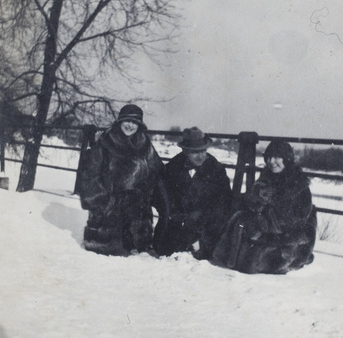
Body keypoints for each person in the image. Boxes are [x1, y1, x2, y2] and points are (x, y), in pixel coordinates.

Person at [212, 139, 317, 274]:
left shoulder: (299, 186)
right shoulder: (266, 177)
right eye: (268, 157)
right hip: (265, 232)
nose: (272, 161)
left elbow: (297, 227)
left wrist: (264, 235)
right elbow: (253, 203)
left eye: (277, 157)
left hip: (286, 241)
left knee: (253, 262)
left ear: (287, 158)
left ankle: (294, 259)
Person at [79, 104, 168, 256]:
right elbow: (89, 175)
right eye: (127, 121)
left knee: (139, 245)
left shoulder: (144, 143)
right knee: (112, 250)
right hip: (110, 203)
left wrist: (149, 192)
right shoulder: (106, 142)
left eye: (135, 122)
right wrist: (103, 201)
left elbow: (157, 170)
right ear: (120, 121)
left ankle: (139, 240)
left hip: (137, 203)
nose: (130, 125)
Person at [153, 126, 233, 259]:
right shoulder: (172, 168)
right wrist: (174, 213)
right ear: (185, 151)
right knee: (165, 248)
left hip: (206, 222)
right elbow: (161, 195)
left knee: (207, 246)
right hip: (180, 220)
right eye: (195, 152)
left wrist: (202, 214)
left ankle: (199, 245)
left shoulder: (216, 170)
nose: (200, 156)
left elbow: (224, 200)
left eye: (203, 151)